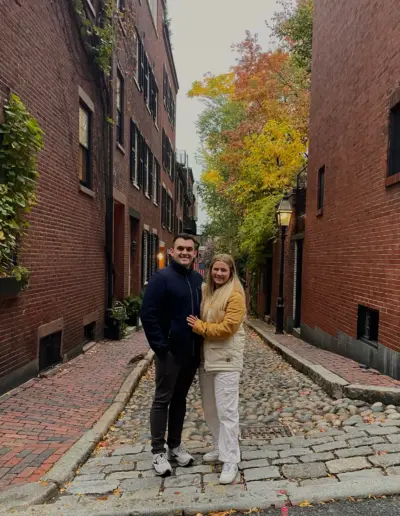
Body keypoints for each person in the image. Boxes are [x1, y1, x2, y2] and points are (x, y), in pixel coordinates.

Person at [141, 234, 203, 476]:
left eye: (189, 249)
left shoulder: (197, 279)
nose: (185, 252)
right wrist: (161, 347)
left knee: (180, 399)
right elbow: (148, 314)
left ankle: (175, 446)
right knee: (162, 399)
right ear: (172, 252)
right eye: (180, 248)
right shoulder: (161, 278)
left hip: (191, 351)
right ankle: (158, 452)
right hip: (170, 352)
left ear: (195, 253)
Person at [187, 254, 246, 485]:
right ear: (210, 270)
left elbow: (227, 328)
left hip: (227, 360)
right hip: (207, 359)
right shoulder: (207, 292)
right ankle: (219, 447)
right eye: (216, 269)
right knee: (210, 409)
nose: (219, 273)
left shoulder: (235, 295)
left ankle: (231, 459)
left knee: (227, 411)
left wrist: (199, 326)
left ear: (231, 272)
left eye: (224, 270)